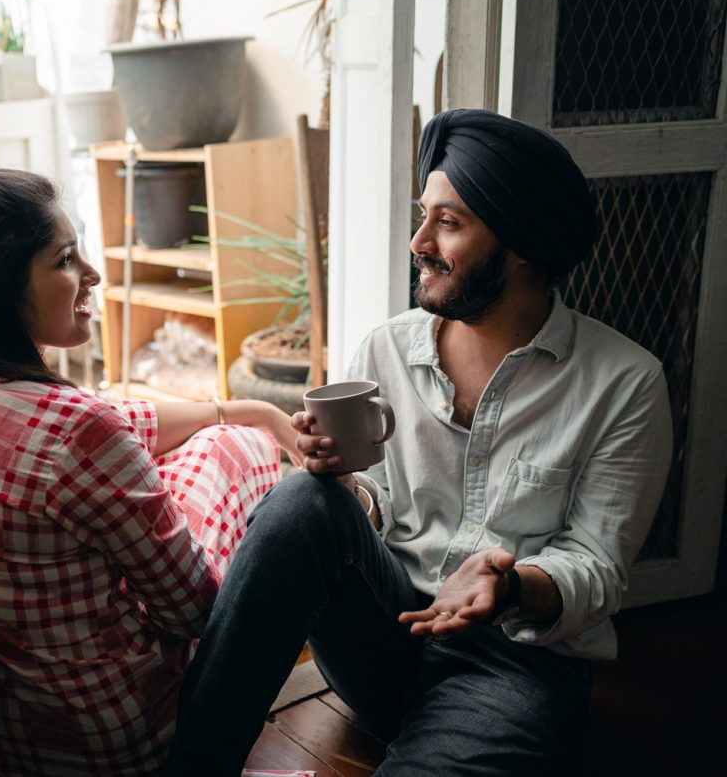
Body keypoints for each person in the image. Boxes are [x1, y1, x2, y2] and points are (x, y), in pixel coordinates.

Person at [164, 109, 675, 776]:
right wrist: (342, 485)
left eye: (449, 222)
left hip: (515, 665)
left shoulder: (625, 383)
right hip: (387, 631)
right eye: (423, 214)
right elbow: (371, 498)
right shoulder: (387, 348)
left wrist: (513, 584)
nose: (418, 241)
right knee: (299, 503)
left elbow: (597, 564)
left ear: (521, 244)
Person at [0, 167, 299, 774]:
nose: (92, 275)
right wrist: (244, 431)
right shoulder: (75, 430)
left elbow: (119, 416)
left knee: (219, 431)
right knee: (230, 449)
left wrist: (250, 405)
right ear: (2, 286)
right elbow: (193, 611)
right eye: (65, 259)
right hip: (125, 738)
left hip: (19, 740)